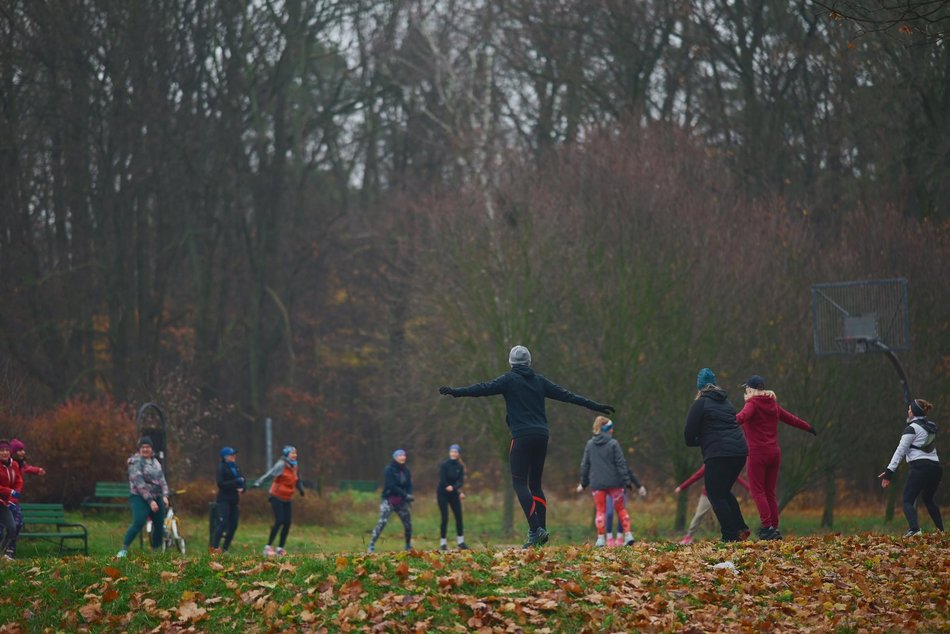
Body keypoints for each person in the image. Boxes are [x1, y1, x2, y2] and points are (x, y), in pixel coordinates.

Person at [440, 345, 614, 548]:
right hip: (542, 436)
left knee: (519, 483)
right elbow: (568, 395)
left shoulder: (508, 380)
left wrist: (455, 392)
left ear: (511, 363)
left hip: (522, 437)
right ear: (529, 362)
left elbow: (482, 388)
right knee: (536, 485)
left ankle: (535, 530)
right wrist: (595, 405)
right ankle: (541, 532)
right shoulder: (539, 380)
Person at [735, 375, 816, 540]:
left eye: (746, 388)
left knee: (758, 491)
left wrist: (721, 421)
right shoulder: (772, 404)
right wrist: (809, 427)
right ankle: (774, 528)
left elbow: (740, 418)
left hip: (757, 454)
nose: (745, 391)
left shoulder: (752, 404)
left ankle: (767, 527)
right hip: (774, 453)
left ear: (751, 389)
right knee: (770, 493)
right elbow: (792, 419)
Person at [683, 368, 750, 542]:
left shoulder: (700, 404)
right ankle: (741, 528)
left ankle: (730, 535)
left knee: (714, 494)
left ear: (699, 387)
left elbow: (688, 435)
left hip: (719, 453)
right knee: (723, 491)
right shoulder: (727, 403)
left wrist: (703, 440)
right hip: (740, 452)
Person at [576, 417, 646, 547]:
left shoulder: (590, 445)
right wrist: (627, 481)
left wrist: (583, 483)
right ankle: (628, 535)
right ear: (607, 429)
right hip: (615, 483)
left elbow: (585, 465)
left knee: (600, 510)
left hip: (597, 484)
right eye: (611, 427)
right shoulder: (614, 444)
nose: (613, 430)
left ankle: (601, 539)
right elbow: (621, 464)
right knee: (620, 509)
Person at [879, 398, 943, 537]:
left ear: (913, 412)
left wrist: (889, 473)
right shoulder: (930, 427)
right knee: (928, 498)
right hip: (936, 468)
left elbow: (900, 450)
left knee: (907, 499)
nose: (907, 411)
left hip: (920, 467)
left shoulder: (912, 428)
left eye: (909, 409)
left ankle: (915, 529)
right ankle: (941, 531)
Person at [117, 436, 170, 558]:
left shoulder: (156, 463)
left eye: (148, 447)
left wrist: (165, 495)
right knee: (139, 521)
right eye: (143, 447)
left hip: (156, 496)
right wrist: (150, 501)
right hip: (139, 497)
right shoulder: (135, 462)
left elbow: (162, 480)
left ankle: (156, 553)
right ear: (139, 449)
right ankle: (123, 550)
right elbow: (139, 483)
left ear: (151, 449)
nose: (145, 449)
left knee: (159, 524)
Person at [675, 464, 751, 545]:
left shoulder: (724, 464)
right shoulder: (709, 464)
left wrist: (748, 487)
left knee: (727, 514)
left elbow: (737, 478)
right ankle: (688, 537)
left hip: (721, 494)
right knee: (699, 515)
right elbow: (695, 476)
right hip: (707, 495)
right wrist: (682, 487)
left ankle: (736, 533)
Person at [254, 445, 304, 557]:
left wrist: (300, 489)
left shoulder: (295, 466)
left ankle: (280, 548)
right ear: (287, 454)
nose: (295, 455)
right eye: (292, 453)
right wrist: (258, 482)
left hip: (287, 497)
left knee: (287, 522)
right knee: (279, 520)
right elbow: (270, 474)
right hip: (276, 496)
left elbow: (297, 479)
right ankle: (267, 547)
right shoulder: (281, 465)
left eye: (295, 453)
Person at [368, 449, 414, 553]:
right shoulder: (389, 469)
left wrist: (409, 495)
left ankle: (408, 545)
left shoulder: (406, 470)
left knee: (408, 524)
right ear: (395, 457)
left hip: (402, 501)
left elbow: (409, 485)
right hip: (389, 500)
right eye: (400, 455)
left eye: (404, 455)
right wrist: (405, 495)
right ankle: (371, 545)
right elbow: (391, 485)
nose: (402, 457)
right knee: (382, 522)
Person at [5, 438, 44, 559]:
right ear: (14, 452)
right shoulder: (8, 464)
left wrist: (37, 470)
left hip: (14, 500)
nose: (22, 453)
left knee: (17, 523)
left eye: (23, 450)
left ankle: (10, 551)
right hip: (4, 499)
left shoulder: (19, 465)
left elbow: (27, 469)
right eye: (19, 450)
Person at [211, 446, 245, 554]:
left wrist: (243, 488)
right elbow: (221, 484)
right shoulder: (221, 467)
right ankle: (214, 547)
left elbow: (243, 480)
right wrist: (235, 482)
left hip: (234, 500)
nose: (234, 456)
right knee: (222, 523)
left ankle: (225, 548)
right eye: (232, 455)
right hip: (224, 499)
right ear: (225, 457)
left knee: (234, 524)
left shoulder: (236, 467)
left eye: (234, 454)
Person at [437, 444, 468, 551]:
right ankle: (443, 543)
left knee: (459, 517)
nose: (453, 453)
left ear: (458, 454)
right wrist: (447, 486)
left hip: (454, 492)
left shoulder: (460, 466)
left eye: (455, 452)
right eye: (452, 451)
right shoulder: (444, 465)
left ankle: (461, 542)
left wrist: (455, 489)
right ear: (449, 453)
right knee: (444, 517)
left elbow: (460, 481)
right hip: (442, 493)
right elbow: (442, 479)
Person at [0, 440, 23, 560]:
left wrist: (13, 498)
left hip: (5, 503)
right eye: (2, 450)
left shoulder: (14, 465)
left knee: (12, 528)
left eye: (7, 450)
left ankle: (5, 554)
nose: (4, 453)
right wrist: (9, 491)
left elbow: (18, 481)